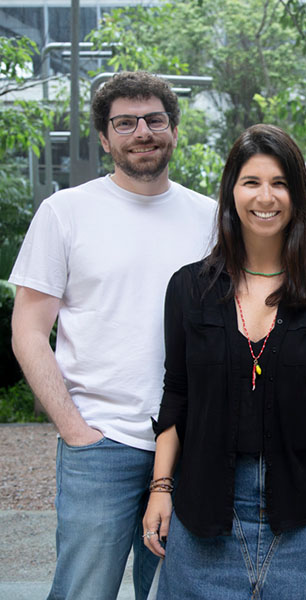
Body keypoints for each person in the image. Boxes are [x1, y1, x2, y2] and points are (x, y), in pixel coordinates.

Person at [141, 124, 306, 599]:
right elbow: (177, 393)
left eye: (279, 183)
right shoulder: (189, 289)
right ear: (231, 192)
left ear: (298, 196)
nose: (265, 197)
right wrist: (160, 487)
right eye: (251, 182)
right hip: (206, 512)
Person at [9, 71, 216, 600]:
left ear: (173, 129)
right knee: (83, 591)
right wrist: (75, 429)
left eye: (154, 120)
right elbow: (29, 332)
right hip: (101, 444)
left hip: (190, 446)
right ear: (105, 138)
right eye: (125, 123)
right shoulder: (65, 213)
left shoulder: (211, 219)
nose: (142, 132)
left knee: (173, 592)